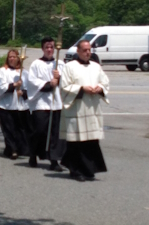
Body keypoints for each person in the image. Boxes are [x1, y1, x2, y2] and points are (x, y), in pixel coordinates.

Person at [59, 40, 109, 182]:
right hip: (77, 109)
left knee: (91, 142)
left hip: (92, 108)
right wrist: (82, 89)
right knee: (76, 143)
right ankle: (76, 171)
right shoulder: (69, 67)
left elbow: (105, 82)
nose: (88, 52)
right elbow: (64, 86)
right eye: (85, 50)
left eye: (89, 50)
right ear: (78, 51)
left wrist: (100, 88)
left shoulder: (96, 66)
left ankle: (89, 170)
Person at [27, 37, 66, 171]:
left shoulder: (60, 64)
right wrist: (49, 84)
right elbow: (32, 82)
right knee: (40, 131)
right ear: (42, 49)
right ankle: (33, 154)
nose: (49, 50)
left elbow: (67, 81)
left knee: (55, 133)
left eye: (51, 47)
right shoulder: (36, 64)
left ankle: (54, 160)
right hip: (41, 103)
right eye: (47, 47)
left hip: (56, 103)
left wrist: (59, 78)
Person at [0, 49, 33, 159]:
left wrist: (23, 92)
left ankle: (19, 148)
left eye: (14, 56)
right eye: (10, 56)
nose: (12, 58)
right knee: (8, 129)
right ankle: (12, 149)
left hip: (20, 105)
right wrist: (14, 85)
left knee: (20, 129)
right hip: (6, 105)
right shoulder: (2, 71)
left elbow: (31, 89)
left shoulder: (24, 72)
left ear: (18, 58)